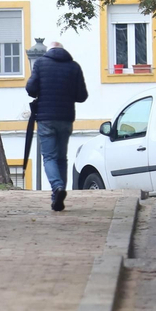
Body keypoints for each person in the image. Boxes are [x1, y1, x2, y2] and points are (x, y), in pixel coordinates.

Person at [25, 42, 89, 211]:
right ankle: (57, 197)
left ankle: (57, 187)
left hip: (46, 118)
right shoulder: (74, 67)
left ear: (50, 50)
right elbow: (82, 96)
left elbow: (31, 89)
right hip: (66, 118)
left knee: (49, 157)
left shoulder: (40, 63)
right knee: (62, 158)